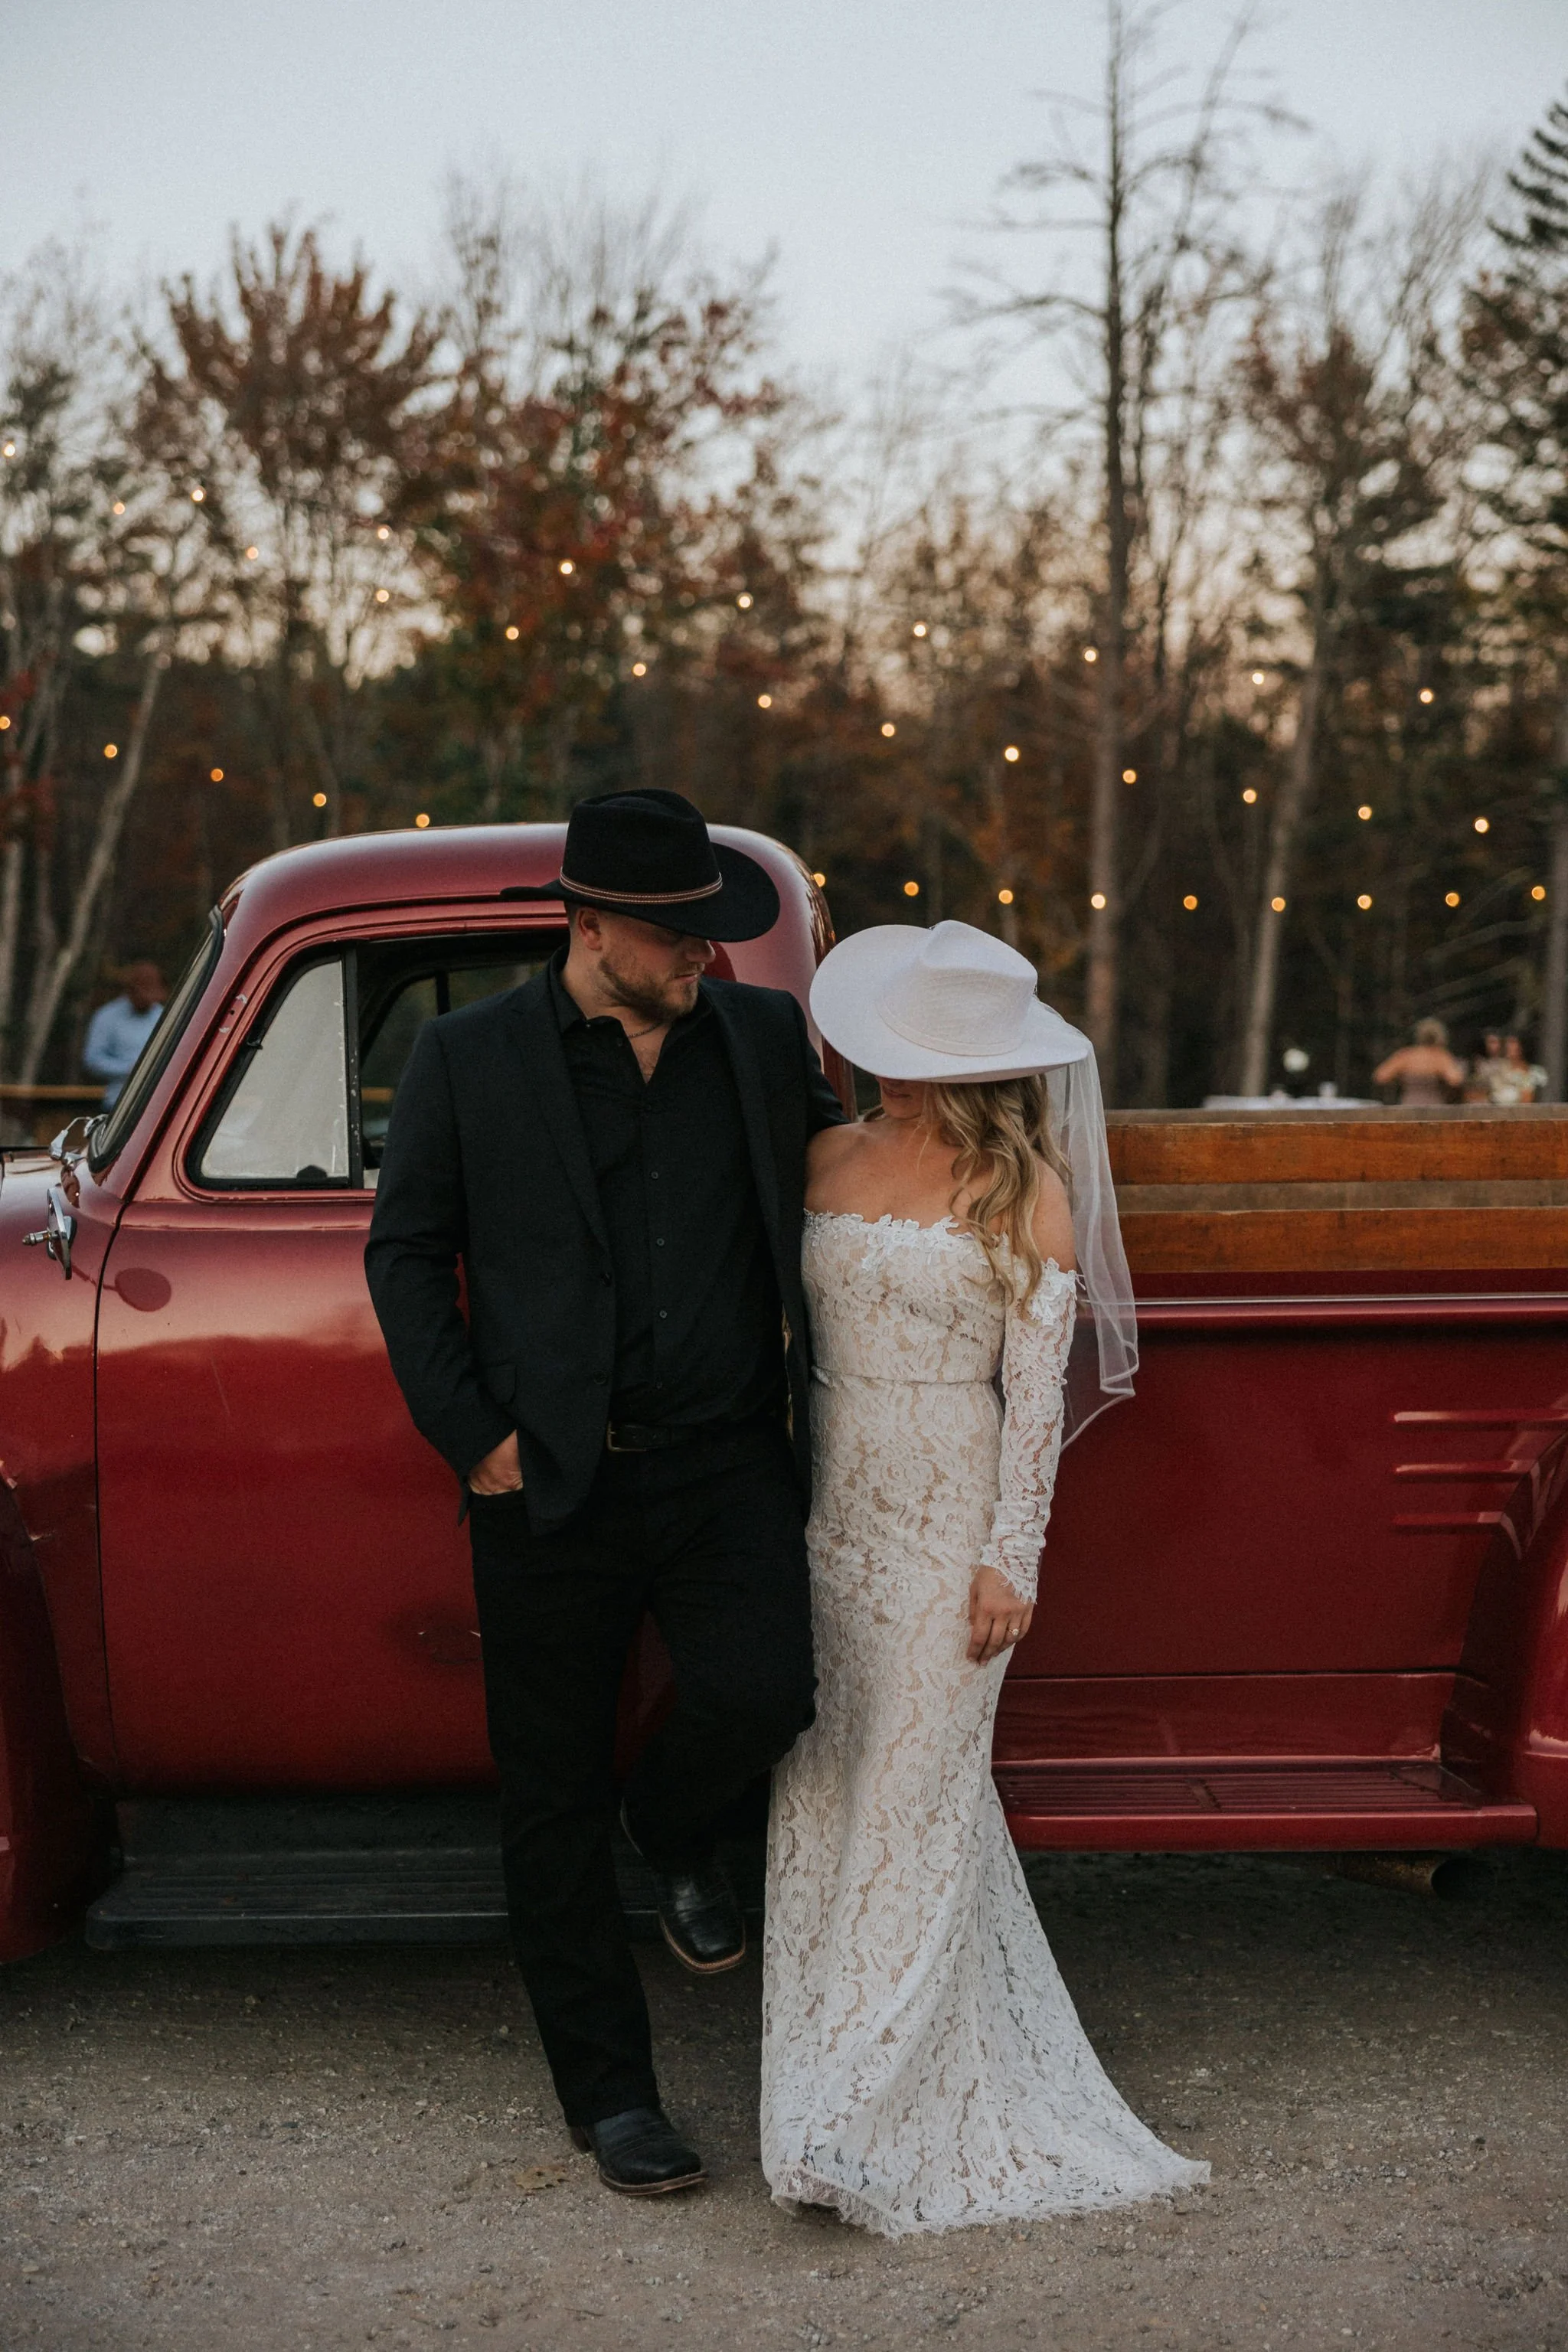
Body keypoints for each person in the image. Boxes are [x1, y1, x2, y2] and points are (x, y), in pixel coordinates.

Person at [365, 789, 844, 2200]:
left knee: (766, 1694)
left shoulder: (761, 1040)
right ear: (587, 925)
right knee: (550, 1793)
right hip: (547, 1482)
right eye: (674, 929)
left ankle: (677, 1820)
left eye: (711, 929)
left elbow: (844, 1182)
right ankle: (613, 2098)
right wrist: (475, 1437)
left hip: (725, 1460)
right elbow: (407, 1254)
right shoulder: (464, 1057)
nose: (703, 950)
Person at [761, 920, 1207, 2235]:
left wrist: (1009, 1557)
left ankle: (852, 2117)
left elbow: (1030, 1401)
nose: (891, 1075)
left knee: (913, 1804)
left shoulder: (1031, 1194)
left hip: (949, 1523)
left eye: (922, 1059)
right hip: (822, 1512)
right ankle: (816, 2073)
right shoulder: (824, 1153)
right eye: (890, 1051)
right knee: (824, 1792)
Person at [82, 960, 165, 1107]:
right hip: (118, 1104)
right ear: (131, 991)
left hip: (158, 1102)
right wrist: (128, 1069)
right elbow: (93, 1059)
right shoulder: (106, 1017)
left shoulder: (164, 1017)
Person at [1372, 1018, 1465, 1106]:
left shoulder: (1406, 1055)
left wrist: (1400, 1079)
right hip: (1434, 1107)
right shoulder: (1440, 1056)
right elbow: (1455, 1080)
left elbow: (1381, 1076)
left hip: (1408, 1105)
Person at [1488, 1033, 1548, 1105]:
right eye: (1506, 1043)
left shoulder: (1536, 1072)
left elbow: (1528, 1098)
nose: (1508, 1046)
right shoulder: (1498, 1070)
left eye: (1512, 1042)